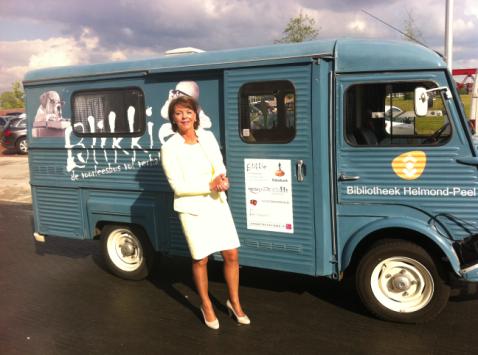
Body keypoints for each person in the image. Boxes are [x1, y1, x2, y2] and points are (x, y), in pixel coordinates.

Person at [161, 95, 250, 329]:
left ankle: (234, 303)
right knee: (201, 259)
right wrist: (208, 186)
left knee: (231, 254)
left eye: (188, 112)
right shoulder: (169, 147)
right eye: (179, 113)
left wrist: (222, 179)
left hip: (216, 203)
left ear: (195, 115)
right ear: (173, 118)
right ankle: (206, 305)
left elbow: (219, 164)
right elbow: (177, 187)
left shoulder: (208, 137)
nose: (184, 116)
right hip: (191, 209)